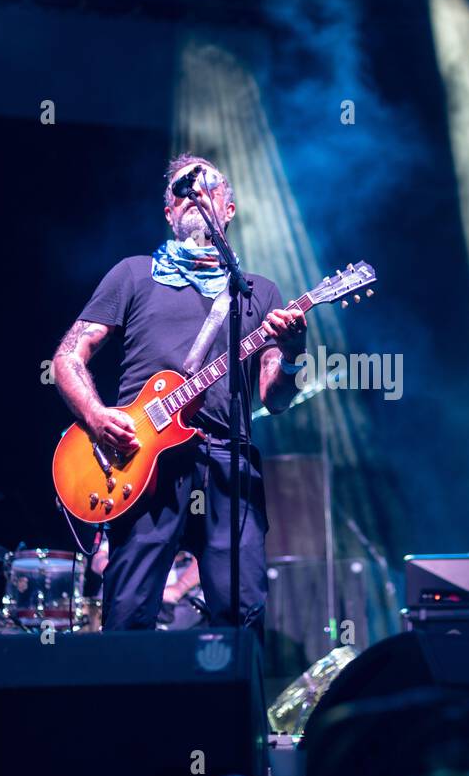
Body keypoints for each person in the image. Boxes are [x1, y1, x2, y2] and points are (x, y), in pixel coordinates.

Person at [53, 153, 307, 642]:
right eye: (180, 189)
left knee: (241, 612)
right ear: (168, 212)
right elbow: (68, 356)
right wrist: (96, 414)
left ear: (228, 208)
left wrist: (292, 352)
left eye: (206, 186)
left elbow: (274, 399)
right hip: (140, 463)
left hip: (227, 462)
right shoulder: (133, 274)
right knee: (128, 613)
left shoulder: (260, 293)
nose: (193, 193)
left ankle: (232, 718)